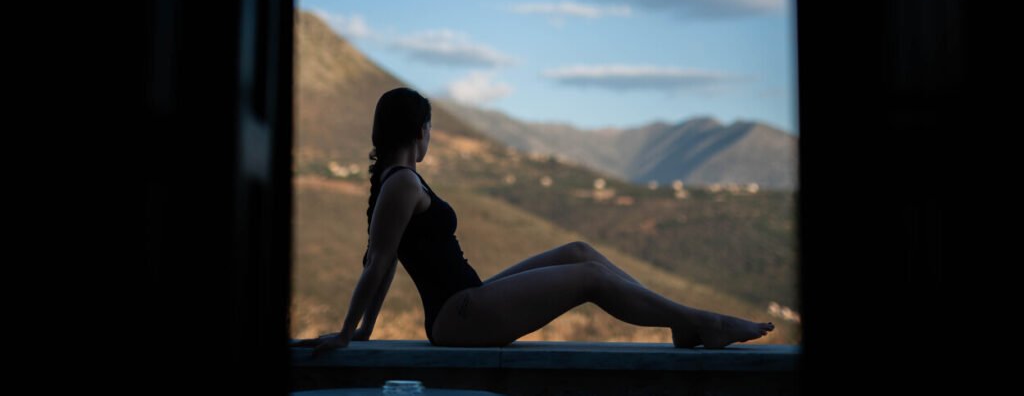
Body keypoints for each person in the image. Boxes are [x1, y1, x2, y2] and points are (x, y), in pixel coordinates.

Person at [303, 87, 774, 355]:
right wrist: (348, 333)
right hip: (459, 316)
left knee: (578, 252)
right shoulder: (402, 183)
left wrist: (363, 332)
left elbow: (383, 262)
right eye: (430, 129)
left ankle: (682, 322)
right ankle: (703, 322)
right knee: (589, 277)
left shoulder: (399, 181)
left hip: (468, 302)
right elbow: (378, 264)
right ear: (420, 130)